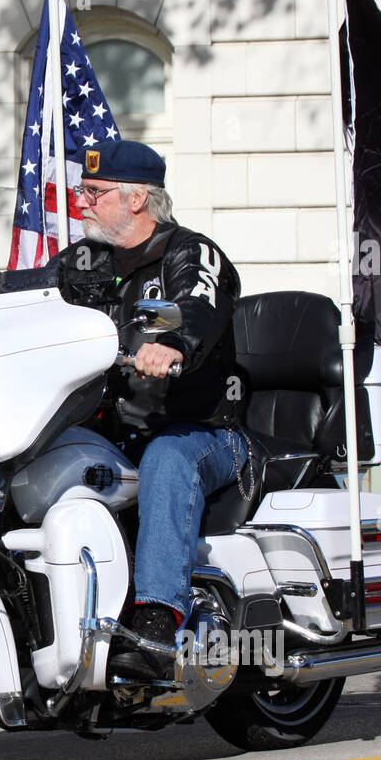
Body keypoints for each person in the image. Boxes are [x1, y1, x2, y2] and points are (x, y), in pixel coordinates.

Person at [49, 139, 247, 681]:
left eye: (94, 192)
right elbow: (26, 303)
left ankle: (159, 623)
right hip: (109, 432)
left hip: (203, 432)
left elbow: (198, 305)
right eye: (82, 191)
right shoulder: (81, 262)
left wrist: (172, 343)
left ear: (137, 199)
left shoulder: (189, 251)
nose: (82, 202)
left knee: (166, 460)